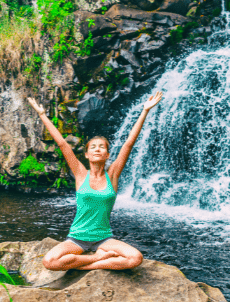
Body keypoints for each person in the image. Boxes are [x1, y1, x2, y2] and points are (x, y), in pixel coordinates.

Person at [26, 91, 163, 271]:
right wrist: (42, 114)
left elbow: (129, 143)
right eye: (93, 147)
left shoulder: (112, 175)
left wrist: (145, 111)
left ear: (107, 154)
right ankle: (99, 260)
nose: (97, 150)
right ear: (86, 154)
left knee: (135, 258)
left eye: (102, 147)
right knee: (49, 261)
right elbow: (62, 144)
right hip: (76, 239)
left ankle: (85, 265)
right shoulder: (80, 174)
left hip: (104, 240)